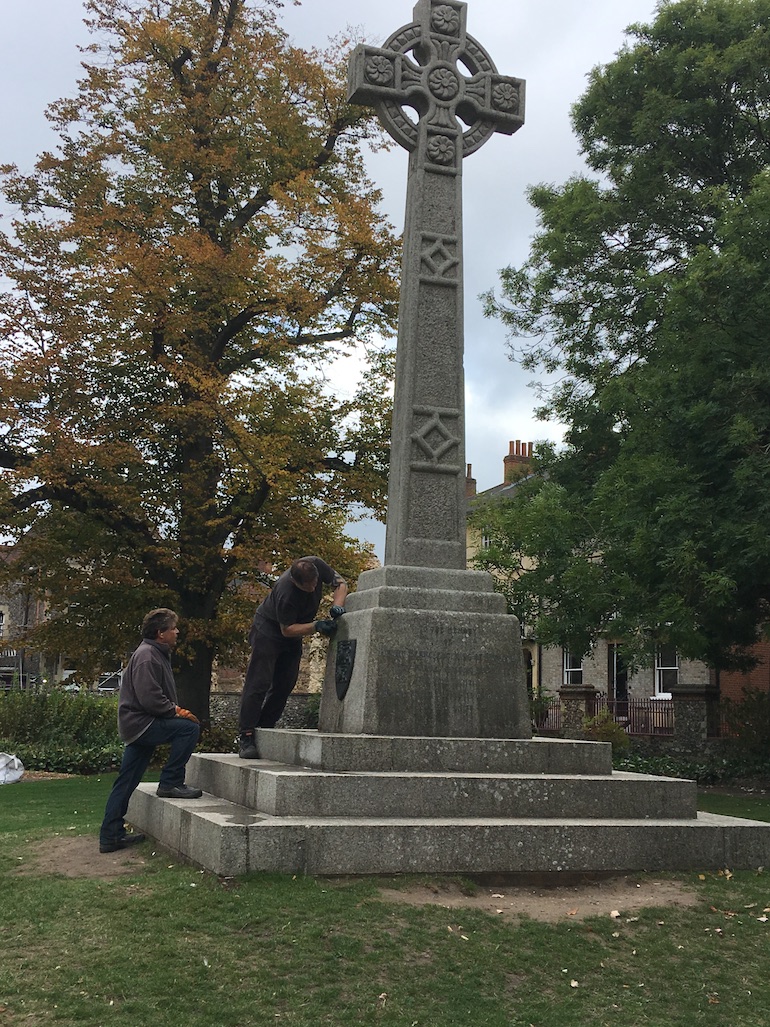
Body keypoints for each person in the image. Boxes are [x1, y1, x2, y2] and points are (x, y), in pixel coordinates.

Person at [99, 608, 203, 853]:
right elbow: (150, 699)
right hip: (142, 724)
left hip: (138, 725)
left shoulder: (153, 653)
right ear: (161, 633)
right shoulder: (148, 656)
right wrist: (177, 711)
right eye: (173, 628)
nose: (177, 632)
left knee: (126, 782)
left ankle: (110, 836)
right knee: (188, 729)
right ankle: (170, 782)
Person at [238, 556, 347, 759]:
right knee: (259, 682)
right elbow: (287, 629)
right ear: (296, 583)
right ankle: (246, 735)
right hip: (269, 630)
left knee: (286, 682)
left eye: (316, 583)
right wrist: (316, 626)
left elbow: (340, 584)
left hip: (296, 631)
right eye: (309, 586)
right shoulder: (285, 592)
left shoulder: (315, 565)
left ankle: (265, 727)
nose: (314, 588)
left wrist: (337, 606)